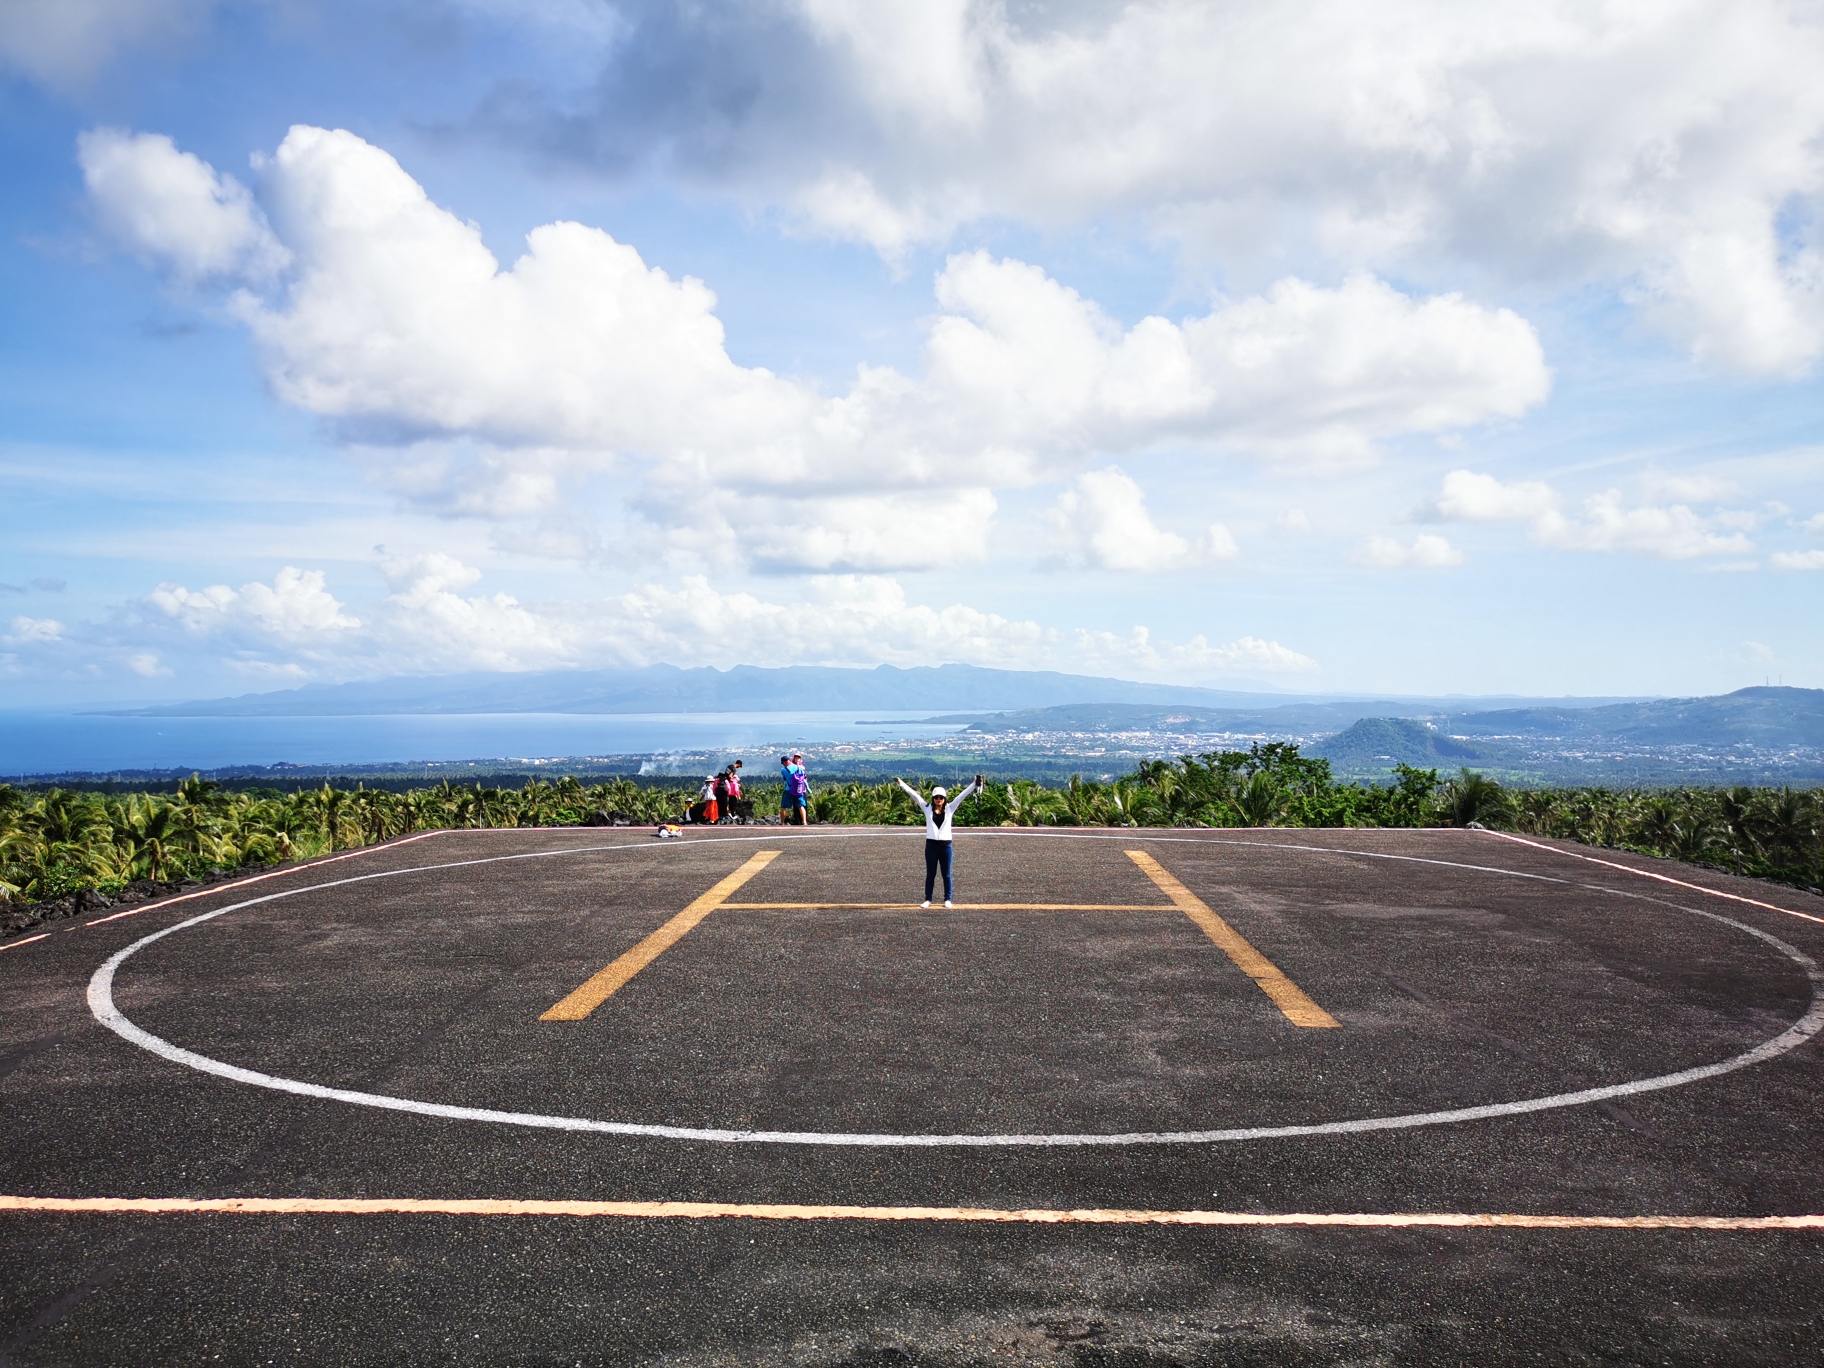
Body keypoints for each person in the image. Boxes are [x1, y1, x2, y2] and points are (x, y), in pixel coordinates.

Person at [895, 774, 985, 908]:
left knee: (946, 874)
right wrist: (901, 784)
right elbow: (914, 795)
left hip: (945, 846)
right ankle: (928, 899)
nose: (938, 799)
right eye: (936, 797)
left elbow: (962, 796)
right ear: (933, 798)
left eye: (941, 797)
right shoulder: (927, 808)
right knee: (930, 874)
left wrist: (974, 784)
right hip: (931, 845)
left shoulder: (950, 808)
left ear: (944, 799)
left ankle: (947, 899)